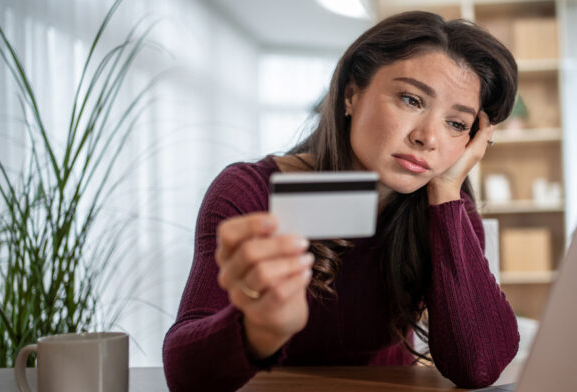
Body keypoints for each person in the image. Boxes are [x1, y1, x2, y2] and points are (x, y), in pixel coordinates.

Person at [162, 11, 519, 392]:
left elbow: (478, 367)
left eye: (457, 124)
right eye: (411, 99)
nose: (428, 137)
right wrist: (257, 328)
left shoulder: (445, 205)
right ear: (351, 95)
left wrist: (447, 191)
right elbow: (184, 374)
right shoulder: (251, 191)